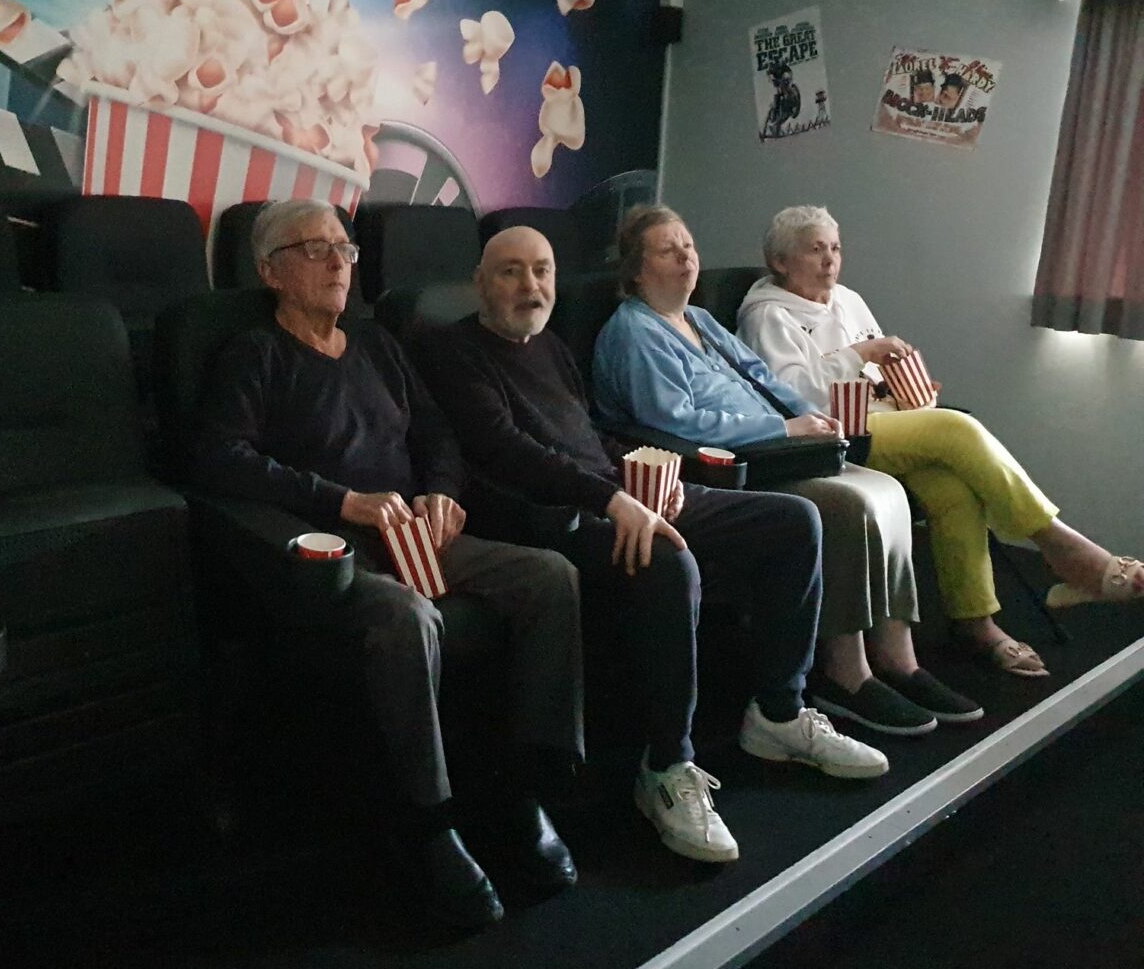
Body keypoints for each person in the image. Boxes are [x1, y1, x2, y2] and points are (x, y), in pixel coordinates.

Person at [417, 226, 889, 865]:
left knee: (795, 521)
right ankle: (667, 767)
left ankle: (778, 714)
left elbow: (591, 437)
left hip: (617, 495)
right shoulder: (453, 350)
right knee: (670, 563)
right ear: (480, 283)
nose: (530, 285)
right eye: (510, 271)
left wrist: (649, 476)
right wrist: (615, 499)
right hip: (547, 516)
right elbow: (508, 451)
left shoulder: (551, 347)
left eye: (542, 270)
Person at [194, 199, 582, 930]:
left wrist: (441, 491)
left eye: (345, 248)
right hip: (328, 553)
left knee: (549, 577)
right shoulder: (254, 355)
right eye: (316, 249)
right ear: (270, 271)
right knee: (409, 617)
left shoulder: (376, 344)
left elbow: (437, 434)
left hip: (416, 534)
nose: (340, 262)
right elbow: (221, 460)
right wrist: (344, 502)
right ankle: (429, 826)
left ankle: (525, 787)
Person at [594, 204, 983, 738]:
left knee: (888, 490)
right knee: (851, 504)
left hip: (782, 448)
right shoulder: (634, 333)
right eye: (668, 250)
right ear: (637, 271)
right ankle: (846, 672)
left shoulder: (699, 320)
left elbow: (761, 375)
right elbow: (676, 422)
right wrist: (784, 430)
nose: (686, 257)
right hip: (731, 465)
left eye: (688, 245)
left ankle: (899, 657)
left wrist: (810, 418)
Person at [736, 205, 1143, 673]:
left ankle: (977, 622)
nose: (830, 260)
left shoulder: (847, 299)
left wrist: (904, 386)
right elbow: (793, 396)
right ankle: (1065, 549)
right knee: (956, 428)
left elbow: (875, 373)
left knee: (953, 490)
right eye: (815, 249)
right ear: (780, 261)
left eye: (836, 248)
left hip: (884, 418)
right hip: (831, 431)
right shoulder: (767, 315)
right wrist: (861, 353)